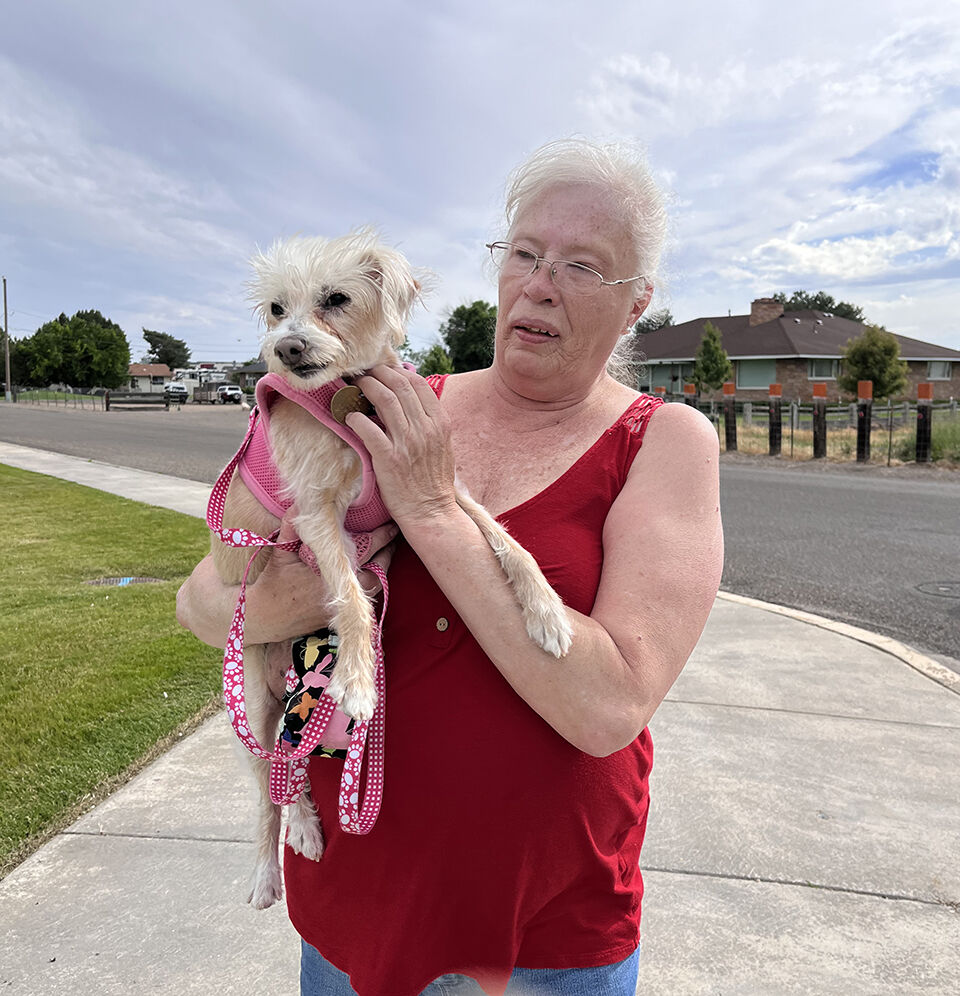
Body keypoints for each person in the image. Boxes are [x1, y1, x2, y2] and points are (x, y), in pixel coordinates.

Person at [177, 138, 723, 996]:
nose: (540, 283)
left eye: (583, 266)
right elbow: (205, 604)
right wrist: (288, 599)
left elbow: (610, 704)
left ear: (638, 304)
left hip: (545, 934)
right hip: (353, 908)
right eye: (525, 254)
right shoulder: (394, 400)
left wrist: (431, 513)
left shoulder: (663, 442)